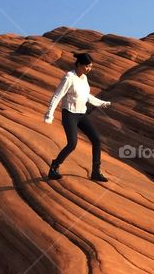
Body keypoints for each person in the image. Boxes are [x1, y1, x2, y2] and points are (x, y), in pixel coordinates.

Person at [44, 52, 112, 182]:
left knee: (96, 140)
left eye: (90, 66)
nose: (89, 69)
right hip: (69, 114)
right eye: (87, 66)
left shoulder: (84, 79)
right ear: (79, 64)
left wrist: (101, 103)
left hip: (81, 114)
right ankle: (54, 167)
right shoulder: (69, 77)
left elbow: (87, 96)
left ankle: (96, 172)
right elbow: (57, 95)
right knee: (72, 144)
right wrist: (49, 114)